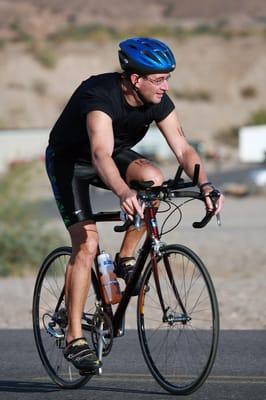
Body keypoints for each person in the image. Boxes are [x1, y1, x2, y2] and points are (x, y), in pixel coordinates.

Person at [46, 37, 224, 373]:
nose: (165, 86)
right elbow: (100, 154)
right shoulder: (99, 95)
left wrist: (206, 186)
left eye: (168, 77)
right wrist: (123, 193)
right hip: (71, 163)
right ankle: (74, 338)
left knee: (154, 181)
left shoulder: (157, 99)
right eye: (158, 80)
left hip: (112, 156)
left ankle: (126, 257)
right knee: (87, 244)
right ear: (134, 79)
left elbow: (184, 149)